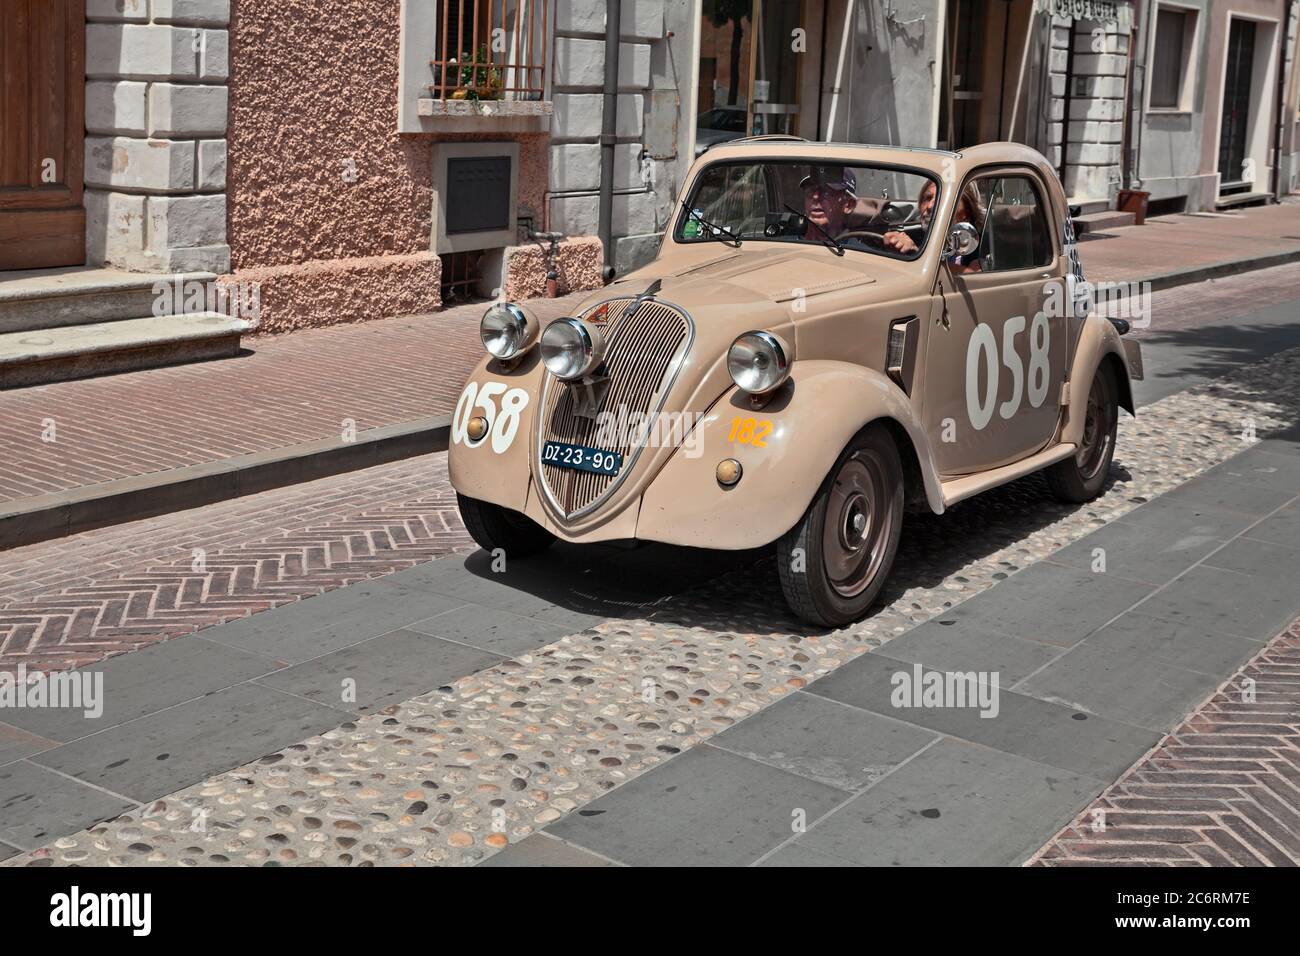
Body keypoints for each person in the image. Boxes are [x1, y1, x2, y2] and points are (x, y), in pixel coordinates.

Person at [882, 179, 985, 273]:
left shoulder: (981, 245)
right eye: (927, 198)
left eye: (943, 200)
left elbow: (977, 278)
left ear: (966, 214)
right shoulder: (924, 238)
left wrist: (916, 254)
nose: (930, 206)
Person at [799, 165, 858, 241]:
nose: (815, 196)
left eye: (826, 191)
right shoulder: (786, 244)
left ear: (848, 205)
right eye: (811, 190)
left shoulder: (857, 251)